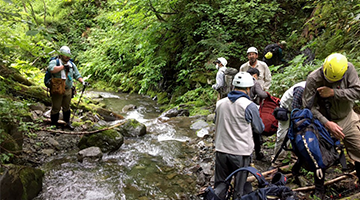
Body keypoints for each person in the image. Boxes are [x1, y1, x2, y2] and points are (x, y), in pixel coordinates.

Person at [301, 53, 360, 198]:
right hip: (324, 122)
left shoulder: (348, 69)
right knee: (319, 154)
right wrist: (326, 123)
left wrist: (333, 92)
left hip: (347, 117)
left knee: (359, 148)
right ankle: (319, 188)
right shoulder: (313, 79)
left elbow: (357, 91)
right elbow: (308, 108)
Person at [214, 72, 265, 199]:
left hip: (221, 150)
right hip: (240, 153)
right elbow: (259, 129)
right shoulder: (249, 106)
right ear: (248, 89)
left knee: (220, 185)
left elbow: (216, 121)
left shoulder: (220, 103)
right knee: (240, 187)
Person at [48, 46, 87, 130]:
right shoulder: (55, 62)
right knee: (56, 108)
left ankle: (67, 122)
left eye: (68, 55)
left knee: (67, 107)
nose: (68, 57)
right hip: (57, 90)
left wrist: (82, 82)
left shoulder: (72, 64)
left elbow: (77, 75)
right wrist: (63, 67)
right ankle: (54, 124)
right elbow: (51, 69)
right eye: (65, 55)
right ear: (61, 55)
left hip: (68, 89)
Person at [272, 81, 306, 168]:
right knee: (283, 136)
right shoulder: (301, 89)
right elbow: (295, 108)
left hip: (298, 110)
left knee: (299, 135)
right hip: (286, 111)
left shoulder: (313, 88)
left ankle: (296, 158)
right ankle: (277, 160)